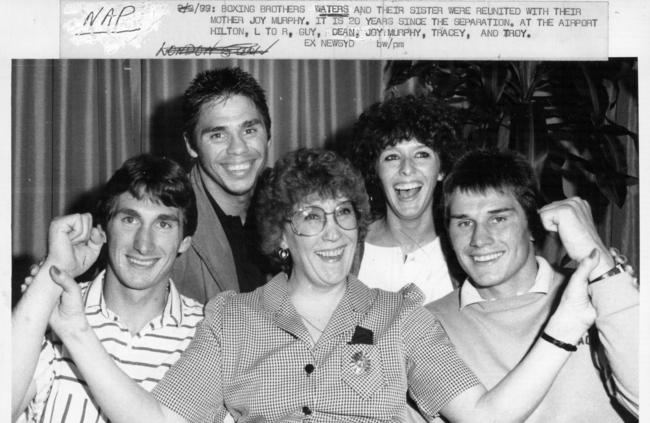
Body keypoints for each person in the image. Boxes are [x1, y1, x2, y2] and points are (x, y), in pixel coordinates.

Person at [29, 147, 603, 423]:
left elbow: (484, 417)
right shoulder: (233, 317)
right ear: (282, 234)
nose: (333, 233)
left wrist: (566, 326)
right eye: (311, 217)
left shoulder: (399, 315)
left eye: (345, 214)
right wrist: (76, 333)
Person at [427, 149, 639, 421]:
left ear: (531, 226)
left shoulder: (601, 289)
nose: (479, 239)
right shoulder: (428, 325)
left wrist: (601, 265)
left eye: (498, 219)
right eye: (465, 223)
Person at [12, 154, 205, 423]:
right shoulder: (48, 309)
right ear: (103, 229)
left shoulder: (207, 333)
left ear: (184, 242)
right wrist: (51, 274)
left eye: (163, 224)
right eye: (130, 220)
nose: (143, 244)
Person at [349, 95, 464, 303]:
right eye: (392, 157)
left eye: (421, 155)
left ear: (441, 169)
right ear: (375, 170)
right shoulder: (347, 246)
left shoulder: (465, 247)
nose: (407, 169)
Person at [171, 67, 272, 303]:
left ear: (268, 134)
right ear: (191, 145)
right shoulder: (167, 221)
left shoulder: (291, 201)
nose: (238, 148)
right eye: (218, 135)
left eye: (249, 130)